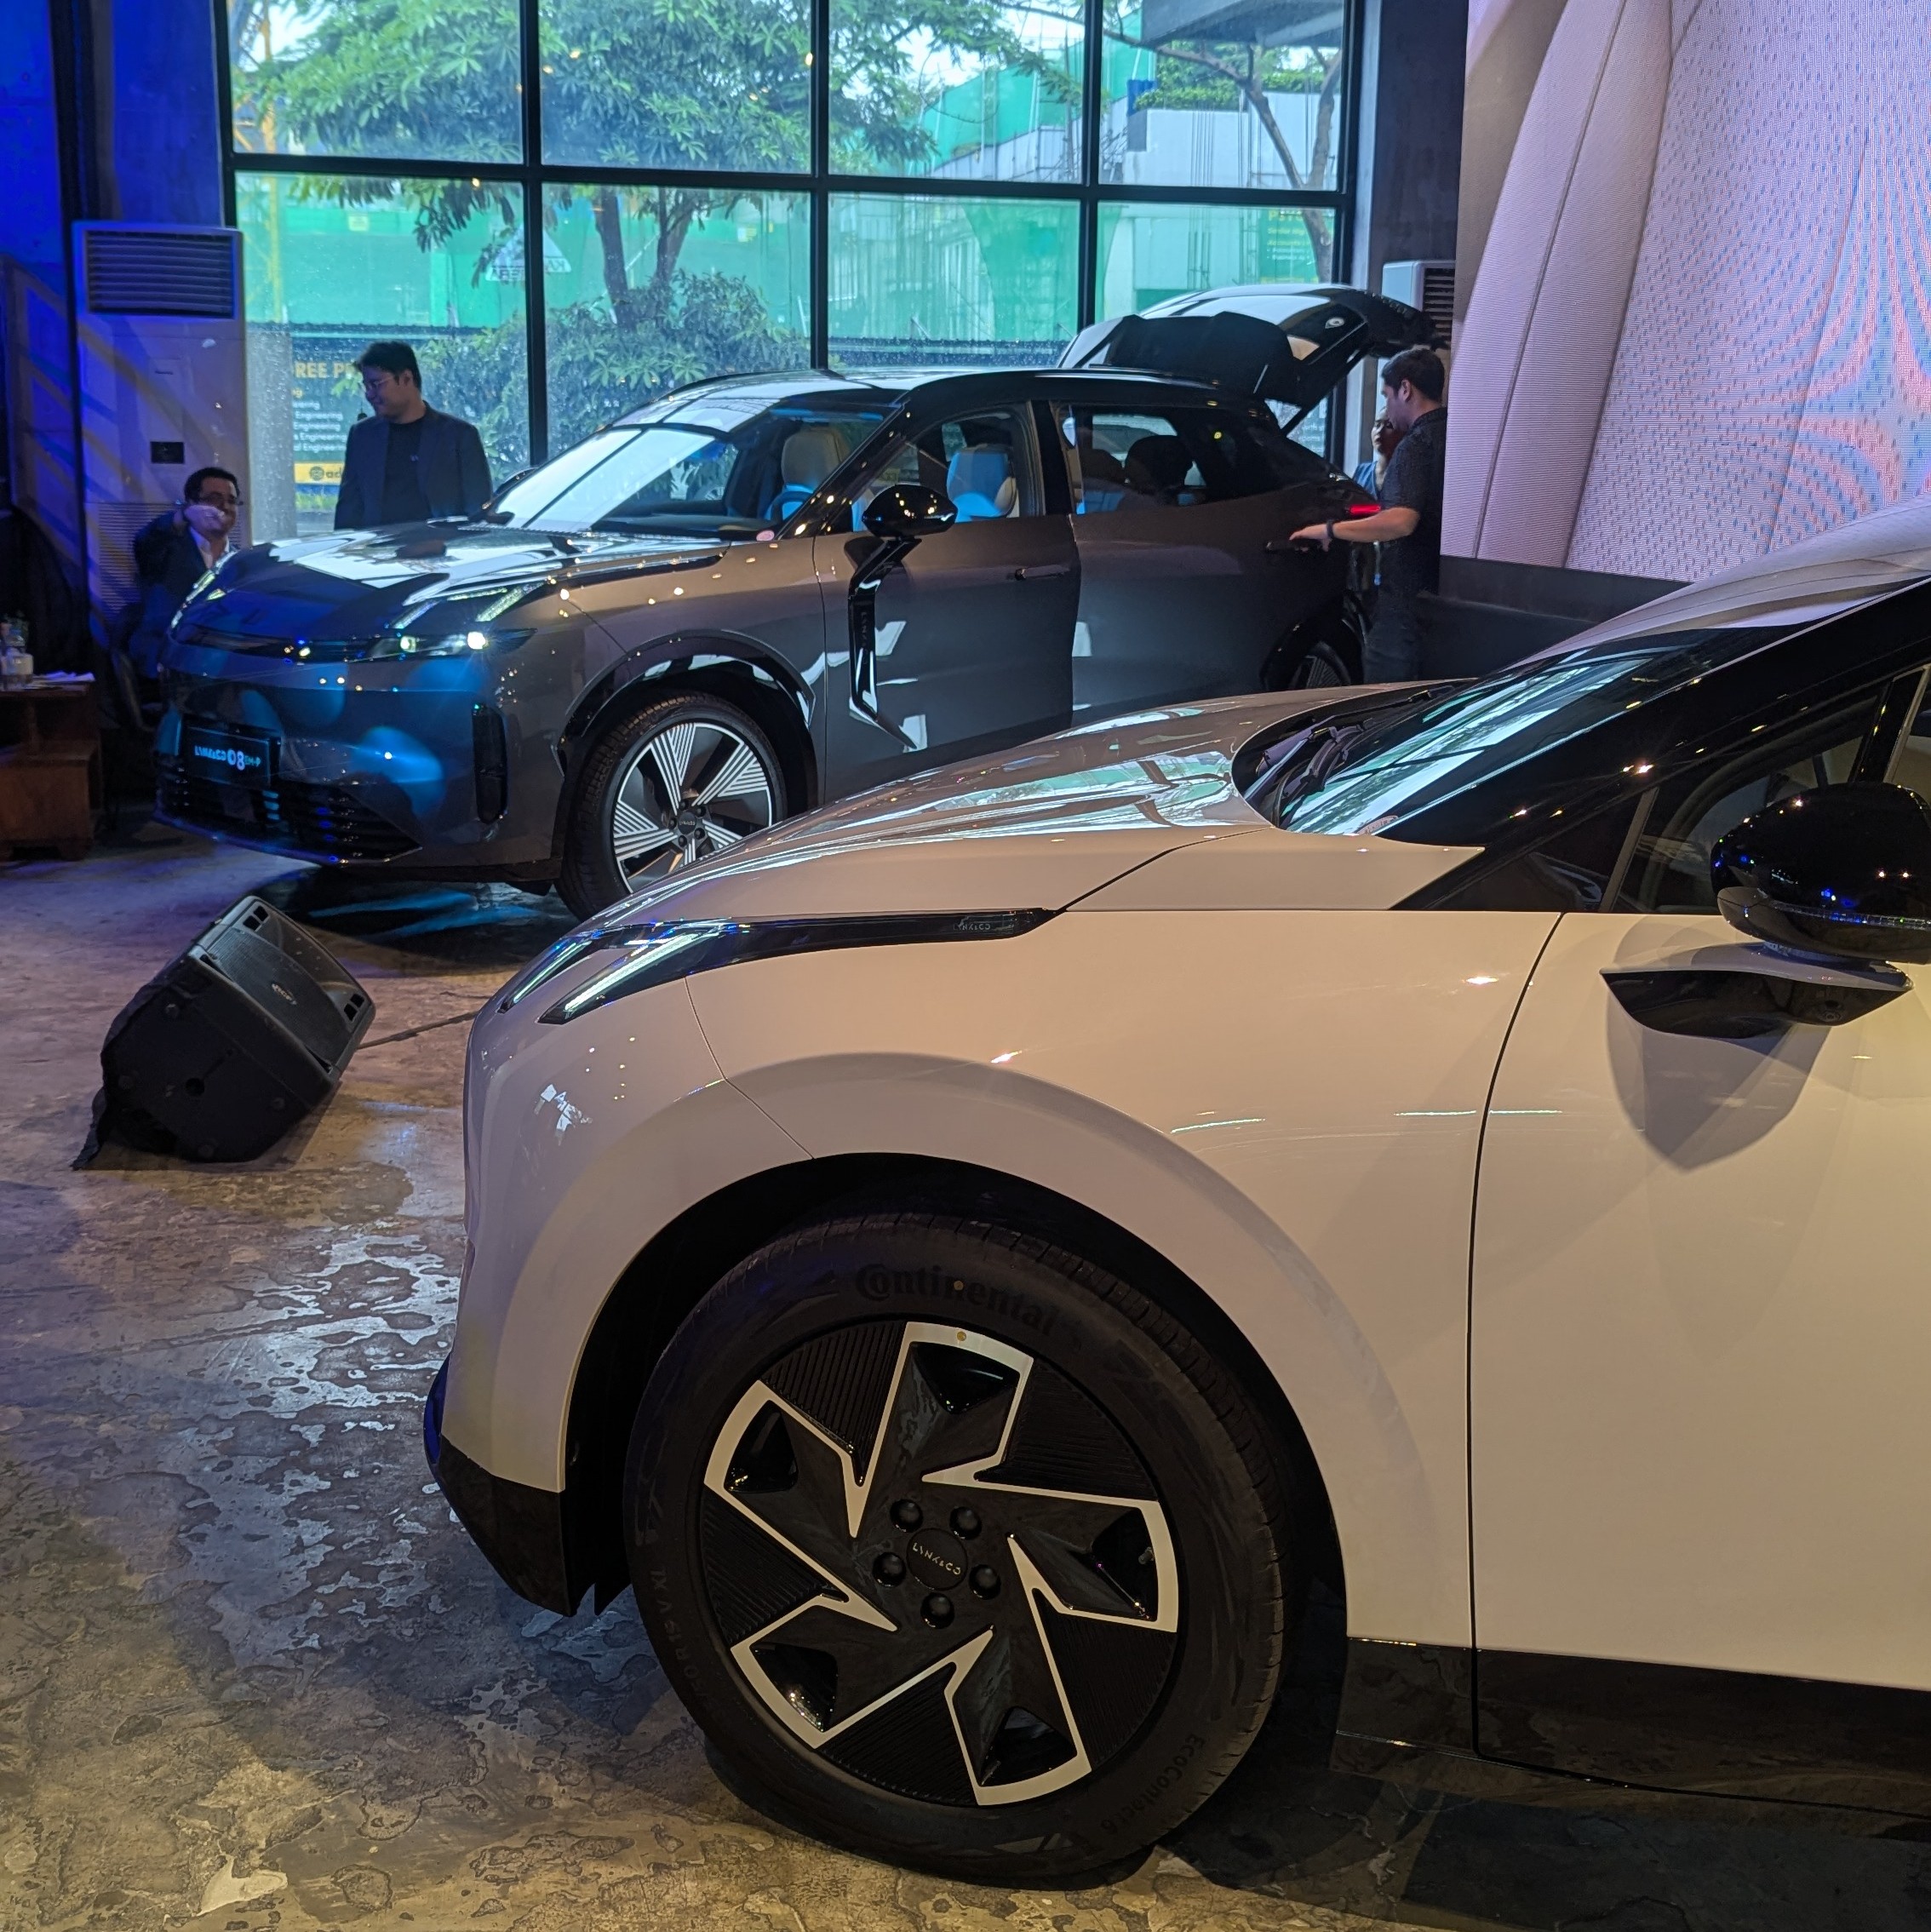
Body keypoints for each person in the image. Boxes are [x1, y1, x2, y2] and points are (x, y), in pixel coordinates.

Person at [1292, 347, 1447, 682]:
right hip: (1441, 595)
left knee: (1383, 695)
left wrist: (1329, 530)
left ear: (1405, 389)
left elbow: (1401, 521)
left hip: (1404, 602)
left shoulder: (1416, 445)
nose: (1387, 408)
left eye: (1387, 396)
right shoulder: (1455, 435)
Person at [335, 341, 492, 530]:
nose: (369, 395)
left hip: (443, 546)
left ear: (407, 379)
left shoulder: (459, 436)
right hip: (377, 547)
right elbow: (348, 511)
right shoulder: (362, 436)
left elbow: (477, 512)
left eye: (376, 384)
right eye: (366, 386)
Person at [127, 467, 240, 677]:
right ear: (192, 504)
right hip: (166, 658)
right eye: (214, 499)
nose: (224, 507)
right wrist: (182, 516)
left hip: (222, 662)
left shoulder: (240, 562)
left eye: (231, 501)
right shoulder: (164, 548)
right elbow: (144, 539)